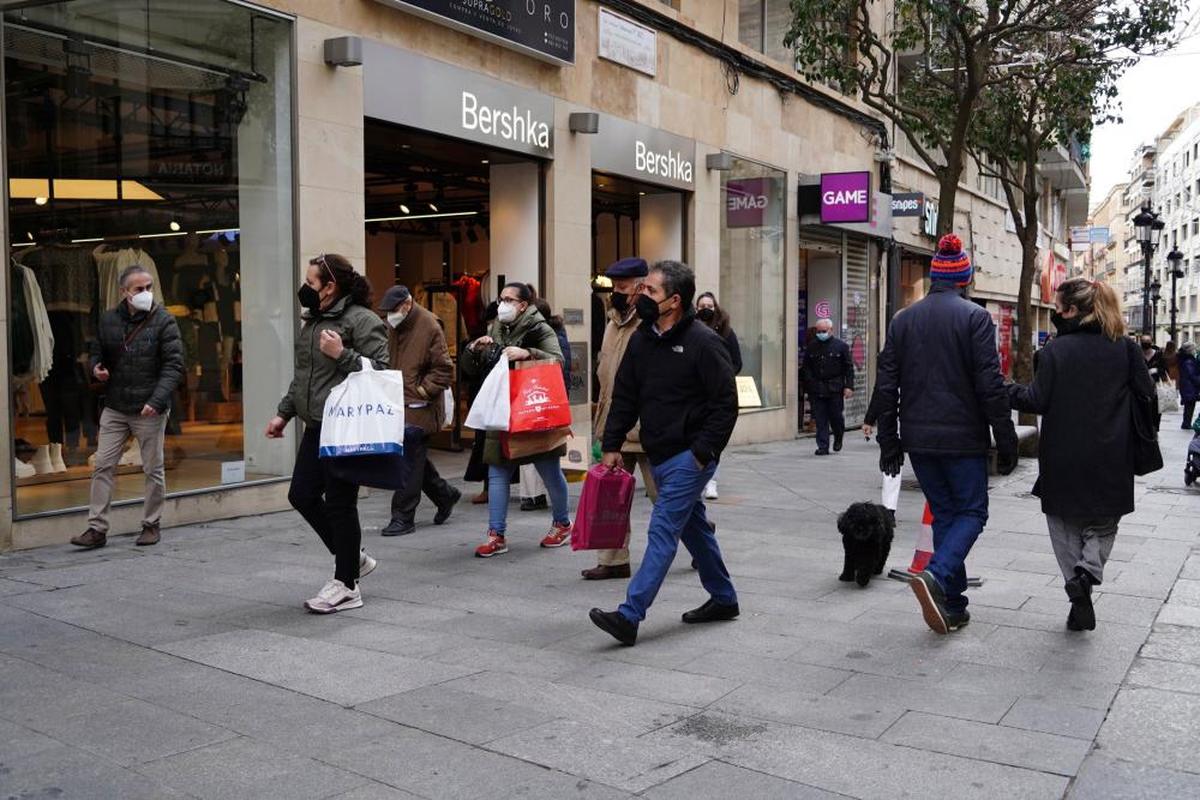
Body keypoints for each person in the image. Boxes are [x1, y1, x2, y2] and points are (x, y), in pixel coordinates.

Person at [589, 260, 739, 647]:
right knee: (694, 529)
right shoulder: (642, 339)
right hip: (659, 452)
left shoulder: (704, 342)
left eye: (650, 291)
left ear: (673, 301)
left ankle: (629, 615)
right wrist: (612, 445)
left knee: (662, 530)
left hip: (690, 457)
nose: (641, 296)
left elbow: (726, 404)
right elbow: (626, 395)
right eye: (642, 290)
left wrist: (702, 454)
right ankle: (724, 599)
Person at [874, 233, 1018, 634]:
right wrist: (1005, 440)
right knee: (972, 512)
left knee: (946, 514)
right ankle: (936, 575)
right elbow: (990, 385)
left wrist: (890, 441)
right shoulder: (974, 318)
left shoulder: (903, 320)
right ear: (964, 279)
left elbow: (886, 385)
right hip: (962, 438)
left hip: (918, 438)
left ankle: (952, 604)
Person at [1008, 278, 1153, 632]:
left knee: (1063, 524)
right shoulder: (1126, 348)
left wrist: (1001, 389)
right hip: (1112, 453)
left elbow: (1035, 401)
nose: (1056, 313)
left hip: (1062, 455)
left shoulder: (1056, 351)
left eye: (1058, 308)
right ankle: (1086, 576)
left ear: (1073, 310)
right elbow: (1146, 394)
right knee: (1103, 523)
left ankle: (1079, 589)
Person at [266, 253, 389, 613]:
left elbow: (382, 370)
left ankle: (347, 584)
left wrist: (342, 354)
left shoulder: (362, 321)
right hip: (317, 424)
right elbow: (305, 376)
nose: (305, 288)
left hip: (346, 426)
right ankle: (353, 559)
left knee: (339, 504)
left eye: (311, 281)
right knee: (301, 494)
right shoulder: (315, 320)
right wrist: (284, 413)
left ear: (330, 286)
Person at [71, 265, 184, 550]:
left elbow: (173, 365)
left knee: (152, 468)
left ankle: (151, 524)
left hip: (149, 407)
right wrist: (96, 367)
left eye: (149, 287)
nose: (146, 293)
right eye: (139, 289)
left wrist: (156, 401)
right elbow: (98, 351)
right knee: (103, 465)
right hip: (116, 405)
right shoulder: (109, 320)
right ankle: (96, 528)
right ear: (125, 292)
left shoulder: (164, 321)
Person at [460, 282, 571, 558]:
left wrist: (528, 353)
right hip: (503, 408)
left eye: (509, 300)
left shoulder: (539, 328)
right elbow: (471, 368)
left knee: (549, 470)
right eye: (501, 299)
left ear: (523, 305)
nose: (503, 305)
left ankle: (562, 523)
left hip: (533, 408)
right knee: (497, 471)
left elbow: (559, 361)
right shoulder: (496, 327)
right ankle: (496, 534)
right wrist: (475, 349)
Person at [584, 257, 658, 581]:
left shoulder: (653, 321)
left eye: (623, 287)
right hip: (616, 424)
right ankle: (614, 561)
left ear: (641, 287)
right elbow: (606, 372)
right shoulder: (612, 322)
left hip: (650, 427)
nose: (617, 293)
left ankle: (700, 538)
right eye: (614, 287)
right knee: (611, 498)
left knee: (666, 499)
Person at [377, 285, 460, 536]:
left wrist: (422, 391)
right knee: (414, 459)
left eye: (393, 310)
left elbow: (444, 369)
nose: (390, 315)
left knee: (408, 460)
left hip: (418, 404)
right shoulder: (393, 325)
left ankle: (403, 517)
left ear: (407, 304)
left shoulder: (429, 326)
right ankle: (445, 495)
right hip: (397, 401)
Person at [518, 296, 573, 512]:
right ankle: (538, 495)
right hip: (553, 398)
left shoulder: (541, 336)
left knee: (532, 445)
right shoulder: (558, 333)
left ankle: (533, 495)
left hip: (539, 398)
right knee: (546, 448)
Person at [695, 292, 741, 500]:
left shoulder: (726, 332)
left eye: (710, 305)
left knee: (713, 440)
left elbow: (736, 362)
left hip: (715, 395)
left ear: (716, 308)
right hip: (694, 396)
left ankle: (711, 481)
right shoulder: (689, 329)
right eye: (702, 305)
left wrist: (721, 378)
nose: (706, 309)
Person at [803, 318, 855, 456]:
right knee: (820, 418)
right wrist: (809, 383)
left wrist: (849, 386)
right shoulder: (812, 347)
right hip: (817, 388)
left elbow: (848, 368)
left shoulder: (841, 346)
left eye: (823, 331)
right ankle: (823, 446)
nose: (821, 334)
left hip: (835, 388)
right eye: (818, 332)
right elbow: (806, 367)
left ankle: (838, 437)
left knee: (836, 417)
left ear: (831, 331)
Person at [1141, 335, 1168, 431]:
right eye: (1143, 340)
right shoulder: (1138, 354)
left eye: (1148, 340)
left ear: (1152, 342)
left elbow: (1165, 370)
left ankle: (1154, 430)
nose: (1145, 342)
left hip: (1157, 388)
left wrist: (1156, 370)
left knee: (1156, 411)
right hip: (1142, 389)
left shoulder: (1159, 355)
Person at [1179, 341, 1200, 429]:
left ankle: (1186, 423)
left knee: (1190, 406)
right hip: (1189, 387)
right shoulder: (1189, 361)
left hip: (1187, 386)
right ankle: (1186, 424)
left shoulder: (1186, 360)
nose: (1195, 350)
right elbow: (1192, 375)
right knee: (1189, 406)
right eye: (1194, 349)